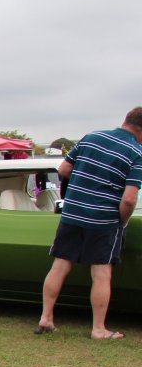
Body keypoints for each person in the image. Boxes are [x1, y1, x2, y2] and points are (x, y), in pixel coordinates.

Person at [36, 107, 142, 340]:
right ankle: (98, 329)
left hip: (72, 214)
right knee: (102, 273)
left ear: (126, 120)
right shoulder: (136, 152)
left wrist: (84, 185)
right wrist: (122, 222)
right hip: (104, 220)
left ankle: (46, 318)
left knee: (60, 265)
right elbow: (129, 198)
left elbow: (63, 169)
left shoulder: (92, 137)